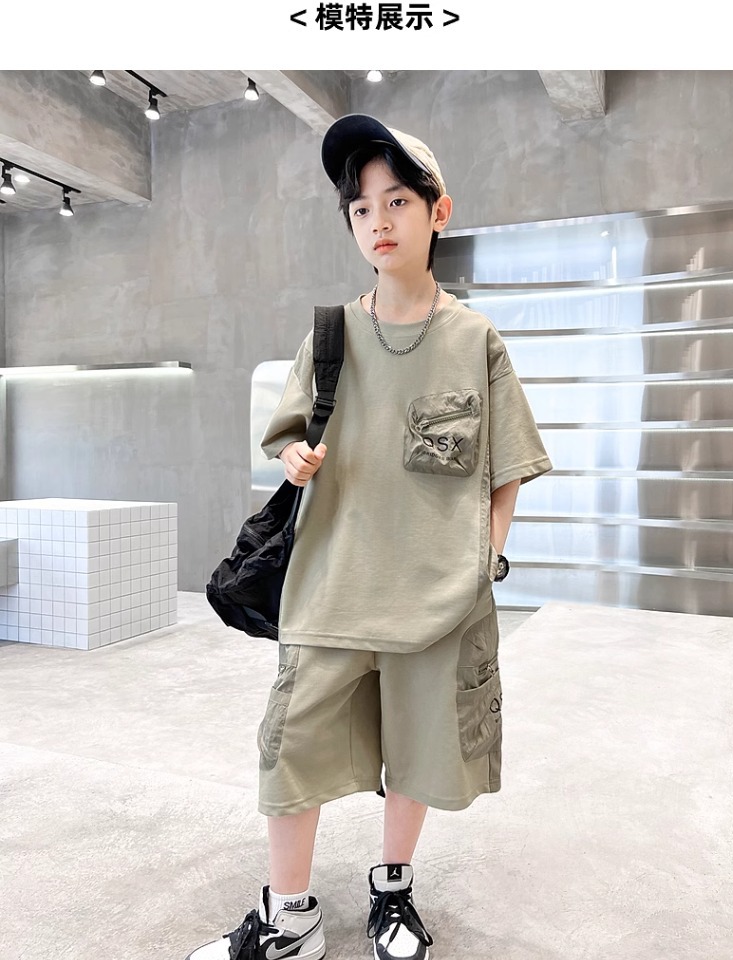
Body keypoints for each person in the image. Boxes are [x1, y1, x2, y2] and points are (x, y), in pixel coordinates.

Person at [186, 114, 552, 960]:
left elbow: (506, 466)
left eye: (396, 201)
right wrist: (295, 456)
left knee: (418, 757)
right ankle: (291, 918)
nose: (377, 221)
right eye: (359, 208)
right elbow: (286, 437)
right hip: (330, 586)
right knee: (290, 751)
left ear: (438, 211)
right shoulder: (330, 335)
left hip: (438, 599)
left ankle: (393, 891)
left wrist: (486, 558)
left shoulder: (475, 340)